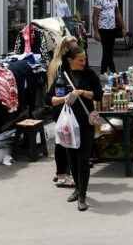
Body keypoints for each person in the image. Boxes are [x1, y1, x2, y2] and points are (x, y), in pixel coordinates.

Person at [47, 46, 101, 212]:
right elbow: (49, 99)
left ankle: (83, 196)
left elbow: (98, 94)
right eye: (80, 60)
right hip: (68, 125)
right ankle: (77, 189)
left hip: (85, 123)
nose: (84, 62)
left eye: (84, 59)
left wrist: (81, 92)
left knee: (83, 160)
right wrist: (65, 98)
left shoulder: (89, 74)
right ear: (70, 60)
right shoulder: (62, 76)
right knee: (72, 159)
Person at [46, 36, 79, 189]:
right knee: (64, 141)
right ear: (66, 49)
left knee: (63, 140)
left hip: (59, 106)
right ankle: (62, 175)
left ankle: (61, 171)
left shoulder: (55, 62)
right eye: (74, 47)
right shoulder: (61, 66)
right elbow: (57, 92)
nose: (77, 49)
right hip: (61, 107)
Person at [93, 0, 125, 75]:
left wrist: (123, 27)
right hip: (103, 28)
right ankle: (107, 72)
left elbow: (117, 13)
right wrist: (96, 31)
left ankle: (110, 71)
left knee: (110, 51)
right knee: (106, 51)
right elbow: (95, 15)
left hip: (112, 27)